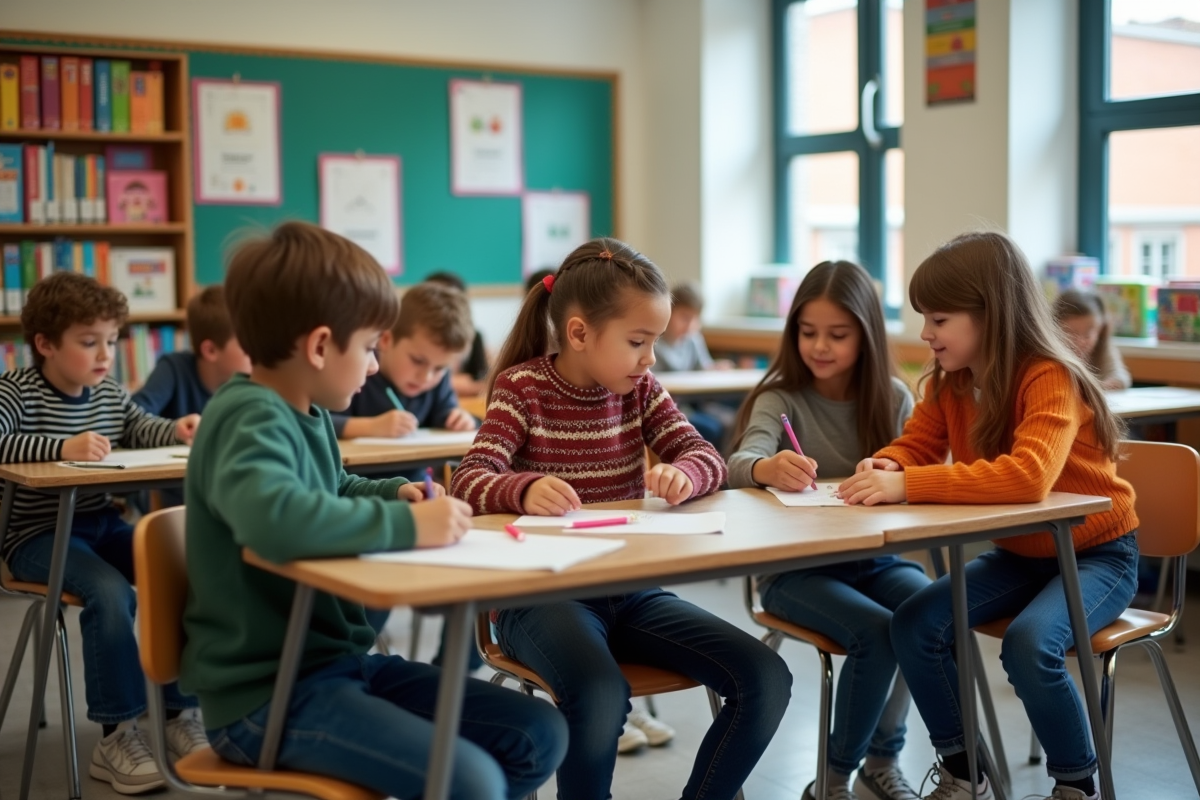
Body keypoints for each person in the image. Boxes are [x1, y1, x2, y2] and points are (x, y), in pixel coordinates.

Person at [180, 221, 567, 800]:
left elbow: (333, 486)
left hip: (339, 665)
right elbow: (274, 521)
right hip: (266, 697)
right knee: (473, 781)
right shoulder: (247, 416)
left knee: (539, 733)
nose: (370, 366)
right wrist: (408, 526)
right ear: (318, 346)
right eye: (366, 347)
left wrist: (394, 495)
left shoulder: (305, 412)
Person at [451, 237, 791, 800]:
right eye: (637, 341)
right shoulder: (522, 388)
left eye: (654, 341)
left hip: (629, 590)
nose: (650, 358)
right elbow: (468, 479)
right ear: (579, 333)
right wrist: (524, 487)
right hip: (540, 594)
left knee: (766, 677)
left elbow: (704, 454)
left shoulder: (640, 389)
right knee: (601, 692)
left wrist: (687, 474)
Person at [839, 231, 1139, 800]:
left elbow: (1029, 476)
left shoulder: (1049, 375)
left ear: (992, 315)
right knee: (914, 624)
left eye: (939, 319)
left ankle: (1076, 785)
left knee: (1028, 645)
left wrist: (906, 484)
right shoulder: (951, 382)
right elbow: (917, 446)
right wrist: (888, 462)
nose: (925, 333)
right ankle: (963, 772)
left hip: (1097, 556)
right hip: (1021, 554)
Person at [727, 260, 926, 800]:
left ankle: (881, 762)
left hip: (877, 560)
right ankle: (834, 780)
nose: (820, 346)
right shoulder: (780, 398)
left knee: (931, 614)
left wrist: (899, 478)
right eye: (808, 331)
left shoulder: (893, 397)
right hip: (795, 572)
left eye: (837, 335)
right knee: (878, 634)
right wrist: (766, 468)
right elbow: (737, 463)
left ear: (867, 335)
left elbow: (922, 471)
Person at [0, 272, 204, 794]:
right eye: (89, 342)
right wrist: (60, 448)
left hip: (102, 523)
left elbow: (138, 426)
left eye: (112, 341)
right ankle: (117, 735)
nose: (105, 354)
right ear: (45, 344)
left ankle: (180, 714)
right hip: (36, 535)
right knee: (111, 593)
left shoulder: (107, 393)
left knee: (184, 573)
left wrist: (176, 428)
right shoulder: (15, 391)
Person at [133, 284, 250, 506]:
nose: (258, 351)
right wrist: (175, 430)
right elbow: (132, 417)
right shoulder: (174, 369)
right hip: (180, 503)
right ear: (210, 350)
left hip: (234, 499)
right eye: (248, 344)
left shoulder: (255, 382)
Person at [426, 270, 490, 396]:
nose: (446, 307)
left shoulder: (474, 337)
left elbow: (482, 383)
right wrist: (457, 382)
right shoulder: (421, 339)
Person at [1052, 289, 1131, 390]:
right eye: (1071, 333)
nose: (1080, 342)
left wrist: (1109, 384)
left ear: (1100, 330)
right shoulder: (1050, 354)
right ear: (1054, 329)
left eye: (1087, 335)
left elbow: (1121, 375)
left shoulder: (1103, 348)